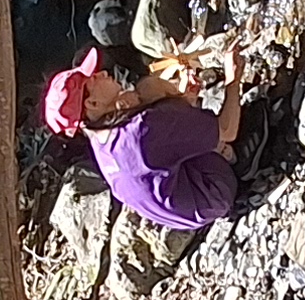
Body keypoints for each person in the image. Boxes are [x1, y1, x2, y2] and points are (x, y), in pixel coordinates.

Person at [43, 47, 249, 234]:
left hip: (185, 216)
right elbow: (227, 130)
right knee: (149, 88)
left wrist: (183, 104)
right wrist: (233, 79)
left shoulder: (101, 143)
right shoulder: (142, 130)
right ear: (93, 104)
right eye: (94, 78)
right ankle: (231, 157)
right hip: (215, 191)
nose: (103, 73)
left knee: (146, 96)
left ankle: (208, 139)